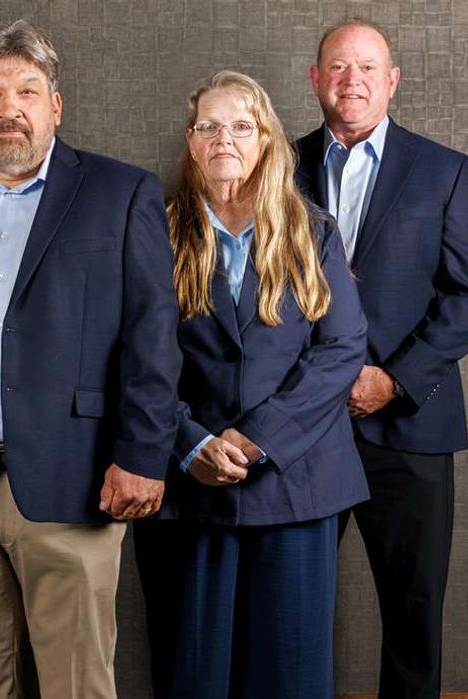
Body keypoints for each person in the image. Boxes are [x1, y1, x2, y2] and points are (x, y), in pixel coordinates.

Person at [0, 20, 180, 699]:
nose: (8, 108)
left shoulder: (118, 194)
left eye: (26, 91)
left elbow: (152, 336)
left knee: (77, 683)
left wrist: (142, 454)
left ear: (55, 105)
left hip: (75, 478)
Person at [133, 70, 369, 699]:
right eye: (209, 126)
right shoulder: (155, 231)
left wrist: (256, 438)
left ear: (266, 139)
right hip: (192, 482)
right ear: (191, 141)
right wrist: (191, 442)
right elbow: (135, 357)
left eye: (241, 126)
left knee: (290, 672)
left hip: (297, 481)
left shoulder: (312, 231)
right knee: (194, 672)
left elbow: (341, 348)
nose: (224, 139)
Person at [293, 18, 468, 699]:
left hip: (410, 424)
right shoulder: (278, 165)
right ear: (316, 80)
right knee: (289, 606)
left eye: (367, 67)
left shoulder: (446, 171)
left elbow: (463, 294)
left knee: (413, 613)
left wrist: (392, 379)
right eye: (338, 67)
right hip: (304, 427)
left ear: (392, 81)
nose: (352, 80)